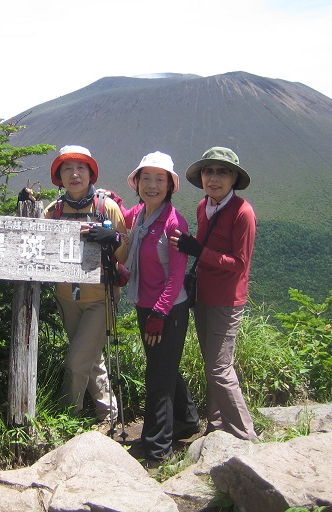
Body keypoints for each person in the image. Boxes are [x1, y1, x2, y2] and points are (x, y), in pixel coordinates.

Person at [109, 152, 200, 464]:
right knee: (165, 368)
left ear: (169, 186)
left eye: (159, 179)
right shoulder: (141, 214)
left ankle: (157, 449)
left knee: (157, 377)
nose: (151, 185)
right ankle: (187, 420)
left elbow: (176, 275)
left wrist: (160, 313)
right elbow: (124, 217)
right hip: (145, 306)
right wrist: (110, 200)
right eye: (146, 178)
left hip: (168, 311)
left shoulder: (174, 223)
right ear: (137, 183)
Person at [171, 146, 258, 441]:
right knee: (212, 363)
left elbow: (240, 264)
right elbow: (206, 248)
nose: (214, 178)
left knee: (220, 368)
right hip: (204, 296)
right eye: (209, 171)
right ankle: (216, 426)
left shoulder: (243, 213)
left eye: (222, 172)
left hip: (227, 301)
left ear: (234, 177)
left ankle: (246, 436)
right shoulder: (203, 206)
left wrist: (199, 251)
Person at [38, 145, 129, 427]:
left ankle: (68, 419)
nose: (74, 174)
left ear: (91, 174)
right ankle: (109, 415)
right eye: (67, 168)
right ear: (59, 176)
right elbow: (38, 247)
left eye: (81, 168)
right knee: (90, 358)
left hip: (101, 298)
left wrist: (113, 238)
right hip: (67, 297)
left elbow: (125, 255)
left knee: (77, 362)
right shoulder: (52, 212)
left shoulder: (107, 208)